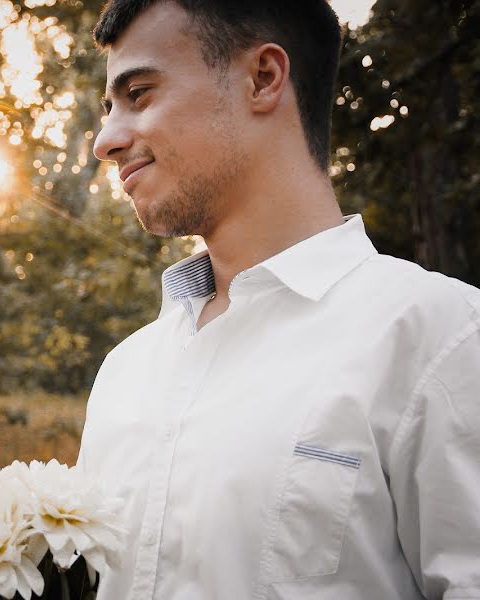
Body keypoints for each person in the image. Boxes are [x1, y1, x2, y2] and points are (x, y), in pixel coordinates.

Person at [78, 1, 480, 599]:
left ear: (263, 78)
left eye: (139, 93)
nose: (106, 141)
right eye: (109, 109)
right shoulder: (124, 371)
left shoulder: (442, 338)